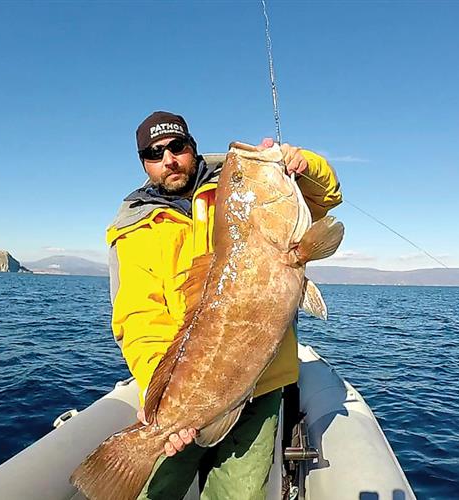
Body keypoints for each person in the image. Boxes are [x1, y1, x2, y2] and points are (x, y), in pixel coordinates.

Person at [106, 111, 342, 499]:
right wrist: (161, 396)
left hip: (261, 387)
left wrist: (304, 163)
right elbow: (138, 318)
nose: (169, 159)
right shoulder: (131, 228)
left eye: (177, 147)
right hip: (185, 391)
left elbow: (328, 197)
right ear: (144, 162)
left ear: (192, 147)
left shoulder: (236, 183)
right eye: (154, 153)